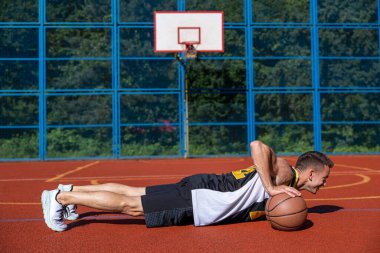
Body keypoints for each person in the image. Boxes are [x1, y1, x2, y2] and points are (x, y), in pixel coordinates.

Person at [41, 140, 334, 232]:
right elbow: (258, 145)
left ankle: (69, 191)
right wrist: (271, 188)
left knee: (135, 193)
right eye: (323, 178)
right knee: (132, 207)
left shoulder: (288, 183)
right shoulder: (284, 172)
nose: (324, 184)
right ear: (310, 173)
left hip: (202, 190)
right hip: (202, 197)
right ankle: (61, 197)